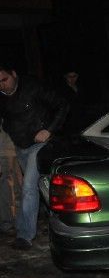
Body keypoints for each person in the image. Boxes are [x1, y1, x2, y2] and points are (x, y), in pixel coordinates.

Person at [0, 64, 69, 250]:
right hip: (21, 146)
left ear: (13, 74)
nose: (2, 85)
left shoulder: (32, 86)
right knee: (41, 184)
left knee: (28, 187)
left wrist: (49, 130)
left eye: (4, 79)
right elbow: (6, 119)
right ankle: (51, 216)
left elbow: (63, 105)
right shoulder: (1, 97)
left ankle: (24, 235)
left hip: (39, 144)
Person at [0, 126, 22, 236]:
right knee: (6, 185)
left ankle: (15, 221)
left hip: (14, 146)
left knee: (16, 183)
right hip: (4, 148)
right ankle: (7, 223)